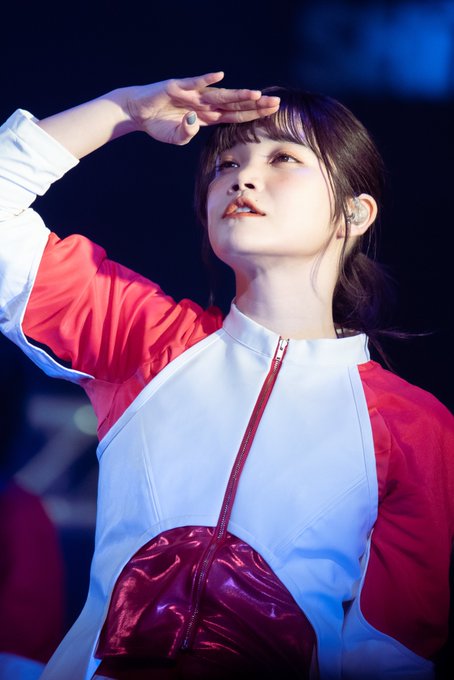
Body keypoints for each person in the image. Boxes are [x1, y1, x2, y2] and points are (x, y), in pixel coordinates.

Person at [0, 71, 452, 680]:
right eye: (225, 165)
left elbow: (391, 654)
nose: (242, 177)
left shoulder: (416, 429)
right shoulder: (146, 341)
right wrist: (123, 110)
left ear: (354, 212)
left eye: (283, 158)